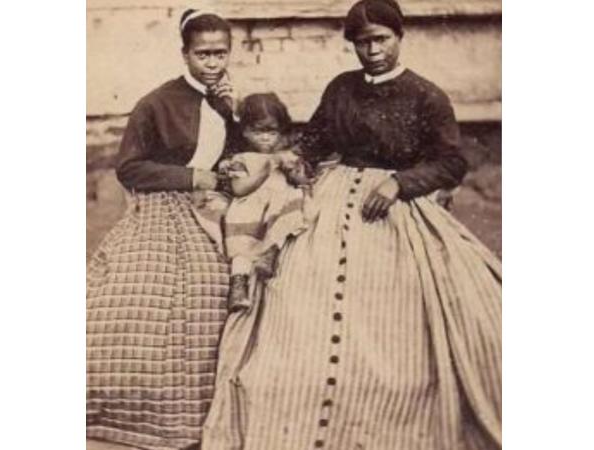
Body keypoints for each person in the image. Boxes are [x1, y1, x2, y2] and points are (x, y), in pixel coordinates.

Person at [201, 1, 502, 449]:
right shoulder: (341, 88)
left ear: (399, 37)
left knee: (416, 306)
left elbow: (451, 161)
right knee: (295, 286)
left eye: (381, 40)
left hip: (398, 207)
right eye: (362, 43)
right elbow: (316, 140)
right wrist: (298, 159)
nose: (373, 51)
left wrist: (400, 184)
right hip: (332, 196)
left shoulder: (427, 95)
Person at [86, 9, 238, 450]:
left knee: (231, 286)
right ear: (185, 54)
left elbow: (237, 156)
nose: (212, 63)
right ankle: (148, 412)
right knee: (151, 296)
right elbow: (129, 167)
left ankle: (214, 415)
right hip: (162, 207)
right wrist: (193, 177)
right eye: (203, 54)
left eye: (220, 53)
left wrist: (231, 115)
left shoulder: (224, 100)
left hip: (213, 206)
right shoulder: (156, 103)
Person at [219, 93, 315, 312]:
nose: (265, 138)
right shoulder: (240, 159)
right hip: (251, 206)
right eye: (258, 132)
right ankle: (239, 284)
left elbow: (302, 181)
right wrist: (266, 168)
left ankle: (271, 251)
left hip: (277, 205)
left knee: (294, 201)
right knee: (242, 245)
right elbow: (239, 188)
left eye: (272, 132)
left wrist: (293, 169)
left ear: (282, 133)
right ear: (245, 131)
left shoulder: (285, 156)